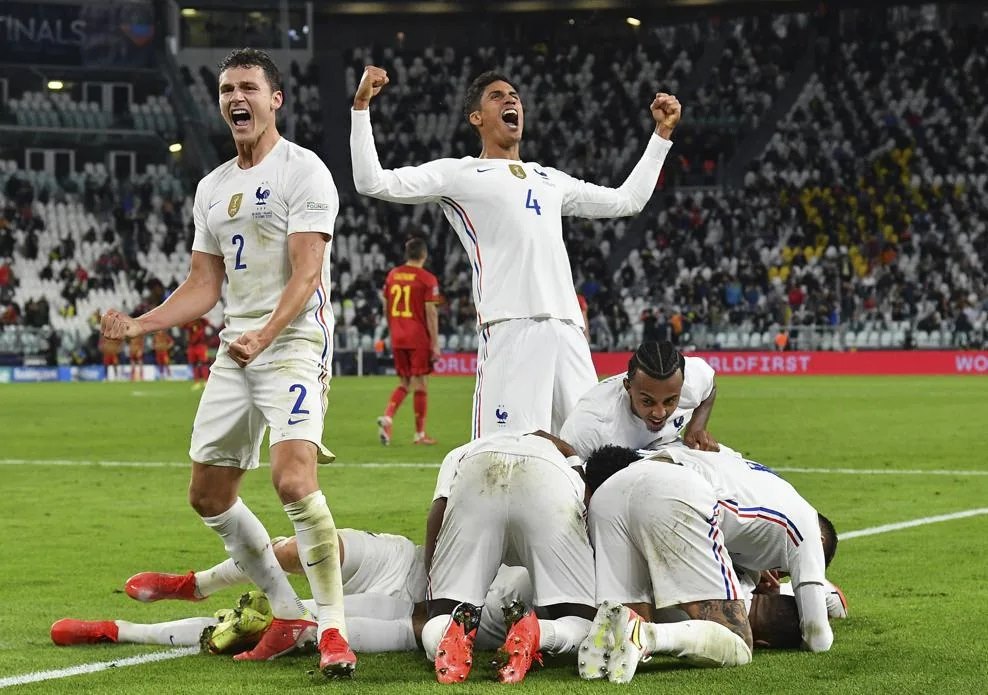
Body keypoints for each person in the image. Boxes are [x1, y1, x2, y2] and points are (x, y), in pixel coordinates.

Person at [98, 47, 355, 678]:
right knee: (208, 493)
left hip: (292, 343)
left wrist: (265, 336)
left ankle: (333, 632)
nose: (235, 98)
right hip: (238, 346)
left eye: (248, 87)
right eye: (226, 90)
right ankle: (286, 608)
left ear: (275, 100)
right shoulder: (212, 186)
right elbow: (203, 283)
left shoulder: (305, 171)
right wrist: (141, 323)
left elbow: (307, 273)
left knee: (293, 480)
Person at [351, 66, 681, 438]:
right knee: (504, 458)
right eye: (497, 96)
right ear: (476, 118)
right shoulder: (459, 174)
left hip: (569, 331)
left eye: (515, 96)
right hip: (511, 326)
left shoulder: (551, 178)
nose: (511, 100)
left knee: (593, 452)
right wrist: (361, 106)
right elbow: (371, 181)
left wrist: (661, 134)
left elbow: (628, 200)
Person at [422, 431, 596, 684]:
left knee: (443, 616)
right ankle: (539, 633)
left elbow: (436, 514)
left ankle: (450, 631)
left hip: (478, 471)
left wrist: (434, 594)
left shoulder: (462, 450)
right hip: (548, 478)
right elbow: (587, 506)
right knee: (583, 623)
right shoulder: (566, 457)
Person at [635, 443, 839, 652]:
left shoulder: (769, 490)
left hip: (640, 464)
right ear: (819, 541)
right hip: (672, 498)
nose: (775, 574)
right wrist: (817, 594)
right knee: (736, 642)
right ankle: (645, 637)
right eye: (785, 569)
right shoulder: (807, 533)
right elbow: (818, 638)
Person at [579, 446, 754, 683]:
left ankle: (607, 645)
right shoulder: (774, 494)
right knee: (737, 642)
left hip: (607, 496)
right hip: (671, 489)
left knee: (625, 620)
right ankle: (648, 636)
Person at [560, 340, 719, 459]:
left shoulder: (694, 378)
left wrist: (696, 428)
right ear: (628, 387)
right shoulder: (589, 427)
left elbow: (710, 388)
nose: (659, 413)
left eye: (670, 401)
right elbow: (572, 476)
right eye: (648, 401)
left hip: (662, 452)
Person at [377, 236, 442, 446]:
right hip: (418, 337)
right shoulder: (427, 279)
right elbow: (431, 312)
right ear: (424, 254)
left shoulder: (393, 275)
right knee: (421, 383)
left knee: (405, 382)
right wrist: (435, 343)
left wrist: (392, 329)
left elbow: (385, 304)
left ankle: (387, 417)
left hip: (398, 336)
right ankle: (419, 435)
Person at [184, 317, 211, 390]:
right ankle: (197, 383)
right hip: (192, 346)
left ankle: (206, 382)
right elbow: (183, 326)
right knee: (194, 364)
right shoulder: (189, 322)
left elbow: (207, 322)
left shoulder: (202, 321)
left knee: (204, 363)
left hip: (201, 345)